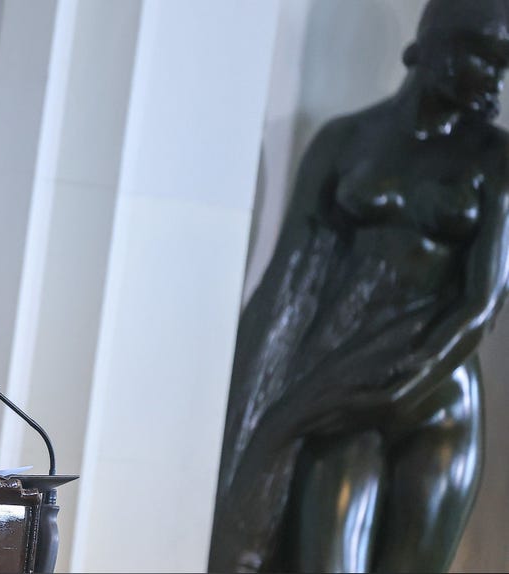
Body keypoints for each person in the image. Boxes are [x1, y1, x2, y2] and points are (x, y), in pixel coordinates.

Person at [209, 1, 509, 572]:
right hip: (345, 390)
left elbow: (483, 302)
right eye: (485, 58)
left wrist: (401, 388)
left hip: (440, 401)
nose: (496, 79)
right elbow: (288, 282)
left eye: (504, 64)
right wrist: (248, 422)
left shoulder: (497, 161)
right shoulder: (346, 141)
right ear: (436, 48)